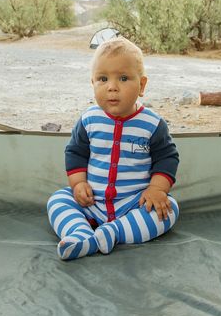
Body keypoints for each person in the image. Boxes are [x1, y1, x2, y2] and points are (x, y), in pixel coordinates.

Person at [46, 37, 179, 260]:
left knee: (169, 209)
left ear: (142, 85)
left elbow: (167, 158)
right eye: (103, 79)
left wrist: (157, 189)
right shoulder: (89, 120)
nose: (112, 87)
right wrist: (78, 184)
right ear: (93, 83)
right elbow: (75, 153)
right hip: (92, 203)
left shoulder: (152, 124)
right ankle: (79, 234)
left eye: (124, 78)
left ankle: (112, 233)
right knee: (58, 200)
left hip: (134, 204)